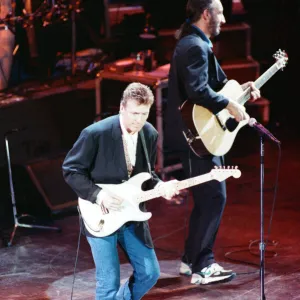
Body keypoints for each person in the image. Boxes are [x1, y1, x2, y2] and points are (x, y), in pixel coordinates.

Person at [165, 0, 261, 285]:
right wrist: (229, 105)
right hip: (196, 136)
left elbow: (215, 88)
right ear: (206, 14)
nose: (223, 18)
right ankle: (202, 266)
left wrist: (240, 92)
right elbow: (197, 90)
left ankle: (190, 259)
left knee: (207, 199)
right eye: (219, 12)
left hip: (201, 134)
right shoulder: (194, 46)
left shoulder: (196, 43)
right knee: (214, 198)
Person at [62, 82, 179, 300]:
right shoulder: (96, 133)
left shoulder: (150, 134)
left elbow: (147, 176)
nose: (139, 119)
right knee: (108, 282)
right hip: (100, 213)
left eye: (144, 114)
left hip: (131, 213)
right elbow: (71, 170)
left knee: (150, 273)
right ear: (122, 108)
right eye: (134, 113)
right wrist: (100, 195)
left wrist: (161, 186)